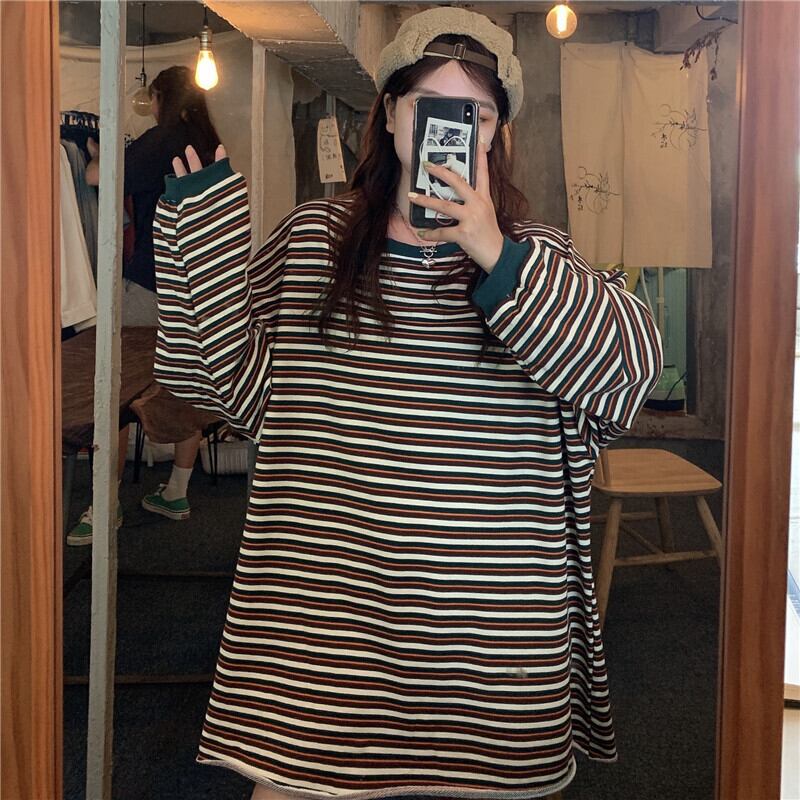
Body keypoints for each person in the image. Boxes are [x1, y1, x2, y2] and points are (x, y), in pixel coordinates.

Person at [152, 8, 663, 800]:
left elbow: (629, 374)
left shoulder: (537, 255)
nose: (450, 130)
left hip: (489, 641)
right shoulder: (314, 241)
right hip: (329, 627)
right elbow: (228, 390)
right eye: (429, 105)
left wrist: (494, 254)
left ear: (495, 136)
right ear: (390, 114)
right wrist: (203, 251)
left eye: (475, 114)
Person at [68, 66, 220, 545]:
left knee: (114, 389)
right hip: (201, 288)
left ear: (159, 98)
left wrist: (98, 153)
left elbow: (96, 176)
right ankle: (176, 492)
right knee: (185, 385)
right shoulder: (210, 143)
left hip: (154, 281)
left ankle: (105, 505)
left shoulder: (163, 140)